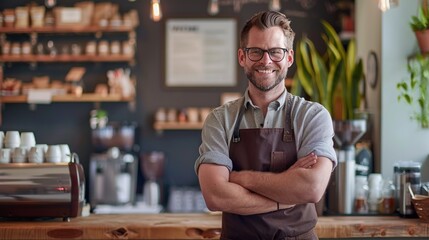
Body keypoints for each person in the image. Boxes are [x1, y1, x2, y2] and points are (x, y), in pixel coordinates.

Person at [194, 11, 337, 240]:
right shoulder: (220, 119)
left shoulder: (313, 116)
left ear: (289, 58)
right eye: (256, 51)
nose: (266, 60)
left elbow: (311, 188)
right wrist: (286, 194)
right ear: (242, 57)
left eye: (276, 52)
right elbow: (215, 197)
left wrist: (242, 178)